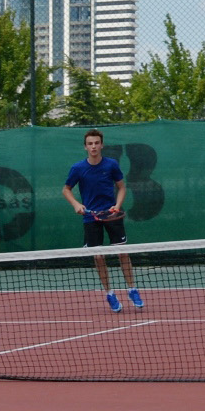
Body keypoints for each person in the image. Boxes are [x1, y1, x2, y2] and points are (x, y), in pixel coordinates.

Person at [62, 128, 143, 313]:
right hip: (90, 218)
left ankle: (132, 289)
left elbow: (122, 187)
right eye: (90, 144)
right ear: (85, 147)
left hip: (111, 215)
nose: (93, 147)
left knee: (122, 253)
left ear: (102, 145)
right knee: (98, 257)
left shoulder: (111, 165)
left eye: (96, 143)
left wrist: (117, 205)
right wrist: (76, 204)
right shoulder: (78, 168)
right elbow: (66, 189)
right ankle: (110, 293)